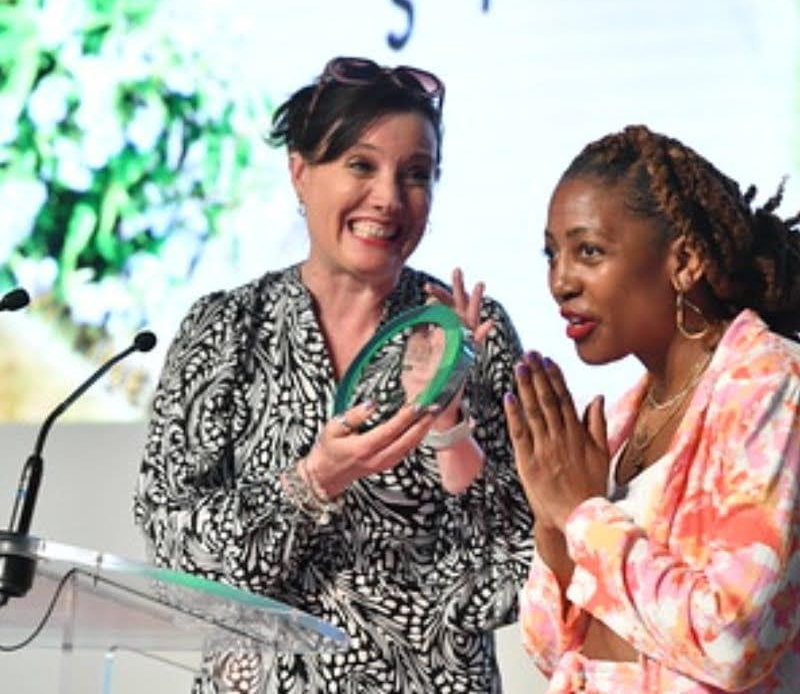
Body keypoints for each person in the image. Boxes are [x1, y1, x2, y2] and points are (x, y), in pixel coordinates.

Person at [134, 56, 533, 693]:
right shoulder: (225, 328)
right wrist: (313, 482)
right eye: (361, 165)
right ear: (300, 172)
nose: (389, 198)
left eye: (416, 174)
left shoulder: (468, 333)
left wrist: (449, 425)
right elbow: (176, 555)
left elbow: (513, 571)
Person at [505, 124, 800, 692]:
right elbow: (552, 649)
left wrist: (583, 514)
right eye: (551, 254)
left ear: (684, 261)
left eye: (589, 251)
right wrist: (554, 526)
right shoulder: (625, 418)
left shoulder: (776, 390)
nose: (561, 281)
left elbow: (733, 640)